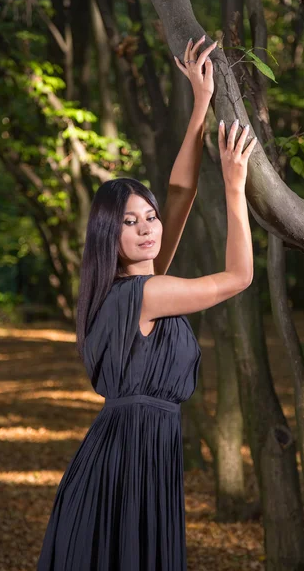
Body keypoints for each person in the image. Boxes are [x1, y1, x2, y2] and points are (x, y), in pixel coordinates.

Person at [37, 36, 256, 571]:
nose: (146, 229)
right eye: (129, 222)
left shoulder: (123, 292)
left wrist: (200, 105)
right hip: (128, 468)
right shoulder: (147, 294)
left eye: (148, 218)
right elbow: (239, 276)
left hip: (128, 461)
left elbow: (178, 195)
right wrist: (234, 188)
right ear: (109, 237)